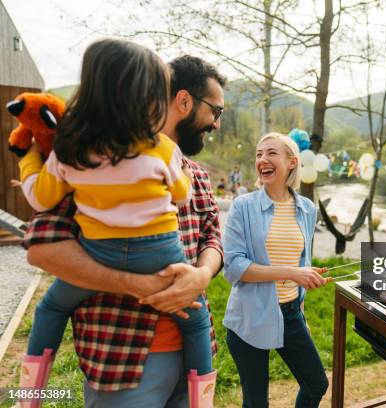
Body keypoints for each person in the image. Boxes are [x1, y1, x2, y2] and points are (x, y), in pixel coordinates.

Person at [22, 53, 225, 408]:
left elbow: (212, 235)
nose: (217, 124)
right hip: (123, 362)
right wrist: (135, 284)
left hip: (194, 354)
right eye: (216, 111)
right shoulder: (92, 160)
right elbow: (41, 249)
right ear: (183, 101)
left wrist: (203, 274)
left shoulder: (197, 173)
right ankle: (29, 397)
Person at [223, 133, 329, 407]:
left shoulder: (307, 209)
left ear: (292, 162)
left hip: (291, 315)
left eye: (271, 153)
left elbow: (299, 261)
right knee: (257, 402)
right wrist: (292, 273)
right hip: (250, 315)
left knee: (316, 384)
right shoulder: (243, 206)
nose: (262, 160)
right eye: (259, 154)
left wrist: (305, 277)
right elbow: (234, 267)